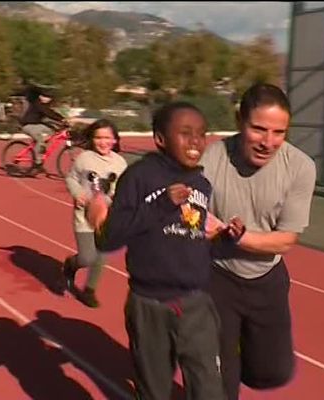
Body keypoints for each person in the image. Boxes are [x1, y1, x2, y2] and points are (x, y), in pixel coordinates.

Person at [87, 102, 226, 400]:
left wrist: (221, 238)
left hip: (195, 303)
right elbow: (108, 239)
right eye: (185, 133)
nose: (196, 142)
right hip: (149, 304)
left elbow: (191, 237)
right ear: (160, 139)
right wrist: (161, 204)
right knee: (154, 391)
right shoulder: (138, 178)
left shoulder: (202, 184)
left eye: (202, 134)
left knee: (209, 390)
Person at [199, 83, 317, 400]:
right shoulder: (211, 159)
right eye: (259, 129)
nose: (268, 142)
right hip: (217, 277)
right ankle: (226, 363)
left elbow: (285, 240)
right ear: (240, 122)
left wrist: (239, 236)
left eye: (279, 132)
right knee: (219, 379)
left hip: (266, 280)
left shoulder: (301, 167)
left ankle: (240, 354)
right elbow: (190, 215)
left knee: (272, 373)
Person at [62, 119, 128, 308]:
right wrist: (78, 194)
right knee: (87, 257)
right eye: (98, 137)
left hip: (106, 217)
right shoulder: (84, 158)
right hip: (84, 217)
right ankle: (71, 265)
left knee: (102, 254)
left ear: (115, 140)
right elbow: (71, 178)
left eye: (108, 138)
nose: (103, 142)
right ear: (92, 138)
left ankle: (89, 290)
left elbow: (121, 188)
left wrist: (117, 199)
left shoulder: (120, 163)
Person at [19, 86, 67, 173]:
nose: (47, 99)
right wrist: (61, 119)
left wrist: (63, 120)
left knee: (53, 130)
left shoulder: (44, 106)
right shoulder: (37, 104)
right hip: (28, 125)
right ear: (40, 97)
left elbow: (51, 112)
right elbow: (47, 113)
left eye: (49, 98)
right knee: (39, 139)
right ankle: (37, 163)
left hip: (37, 125)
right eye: (45, 97)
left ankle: (41, 145)